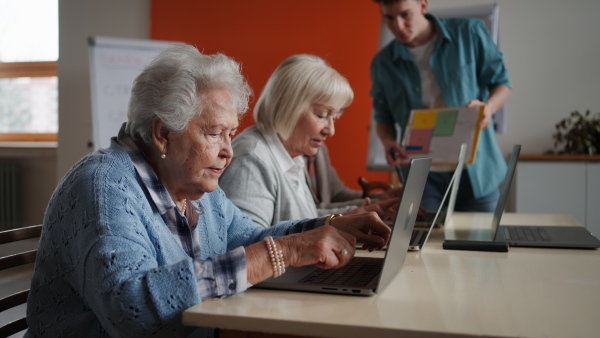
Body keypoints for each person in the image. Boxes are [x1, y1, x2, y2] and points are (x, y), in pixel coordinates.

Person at [25, 44, 391, 338]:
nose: (229, 150)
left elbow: (247, 237)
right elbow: (130, 310)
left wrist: (332, 225)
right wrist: (282, 252)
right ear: (162, 134)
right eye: (214, 133)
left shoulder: (196, 185)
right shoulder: (104, 187)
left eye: (231, 134)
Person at [220, 54, 401, 229]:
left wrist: (353, 215)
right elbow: (248, 247)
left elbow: (303, 217)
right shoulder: (251, 161)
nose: (330, 130)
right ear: (288, 107)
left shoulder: (293, 155)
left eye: (334, 118)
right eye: (322, 115)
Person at [370, 0, 513, 212]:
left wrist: (488, 107)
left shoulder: (469, 33)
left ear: (423, 5)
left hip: (476, 170)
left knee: (481, 242)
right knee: (423, 243)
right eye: (389, 18)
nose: (398, 26)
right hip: (422, 177)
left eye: (405, 15)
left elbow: (502, 84)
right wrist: (388, 141)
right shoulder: (383, 62)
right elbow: (383, 116)